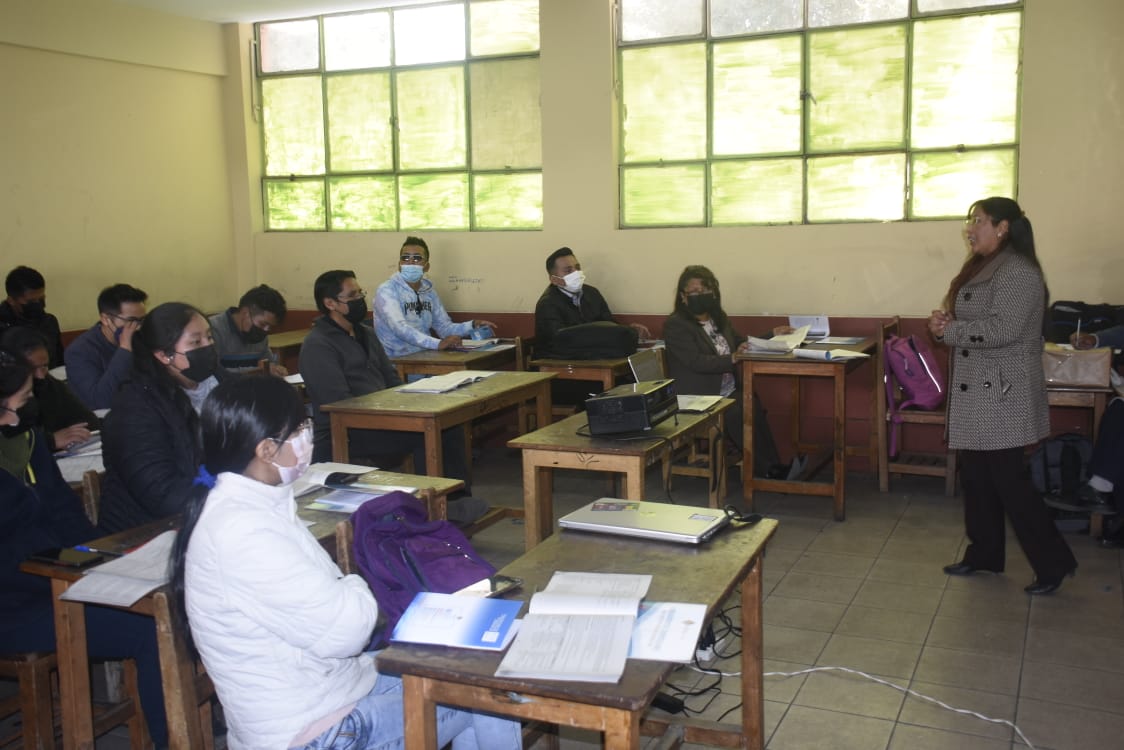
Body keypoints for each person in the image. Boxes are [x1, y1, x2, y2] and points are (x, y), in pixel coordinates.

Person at [168, 375, 519, 750]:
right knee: (487, 688)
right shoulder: (244, 533)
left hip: (331, 689)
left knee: (474, 663)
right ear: (266, 450)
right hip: (312, 731)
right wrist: (354, 582)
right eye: (298, 429)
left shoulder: (253, 504)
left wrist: (345, 588)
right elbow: (348, 631)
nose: (307, 436)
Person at [0, 348, 168, 746]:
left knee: (167, 601)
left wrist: (100, 557)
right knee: (154, 630)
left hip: (59, 579)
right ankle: (175, 737)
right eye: (12, 407)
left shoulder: (25, 439)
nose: (18, 417)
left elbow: (64, 510)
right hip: (15, 605)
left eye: (24, 403)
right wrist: (70, 575)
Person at [929, 197, 1077, 595]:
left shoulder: (1019, 271)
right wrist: (946, 322)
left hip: (1003, 393)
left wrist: (951, 332)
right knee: (977, 479)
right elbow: (979, 320)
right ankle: (985, 554)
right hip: (980, 390)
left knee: (1011, 483)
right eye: (970, 220)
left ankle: (1054, 564)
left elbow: (1003, 329)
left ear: (1003, 227)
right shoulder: (985, 265)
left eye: (978, 220)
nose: (970, 228)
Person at [299, 270, 486, 524]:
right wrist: (393, 416)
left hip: (382, 417)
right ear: (330, 303)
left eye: (360, 293)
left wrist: (407, 405)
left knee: (446, 426)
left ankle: (453, 499)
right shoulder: (318, 345)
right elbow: (338, 404)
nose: (360, 299)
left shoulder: (365, 333)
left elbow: (391, 378)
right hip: (348, 431)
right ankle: (435, 510)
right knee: (425, 433)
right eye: (352, 296)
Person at [98, 302, 223, 533]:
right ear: (164, 355)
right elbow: (162, 494)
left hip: (206, 512)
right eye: (196, 342)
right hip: (144, 530)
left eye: (209, 337)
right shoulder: (135, 407)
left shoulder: (220, 387)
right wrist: (230, 498)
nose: (208, 347)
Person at [663, 265, 789, 478]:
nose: (701, 295)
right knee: (736, 411)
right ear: (683, 297)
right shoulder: (676, 325)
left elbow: (739, 343)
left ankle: (774, 466)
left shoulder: (717, 318)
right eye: (694, 291)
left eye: (705, 290)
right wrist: (732, 358)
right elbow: (696, 362)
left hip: (725, 391)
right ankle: (767, 471)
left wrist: (771, 335)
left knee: (751, 402)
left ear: (714, 293)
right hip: (697, 396)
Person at [374, 237, 498, 358]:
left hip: (425, 357)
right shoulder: (387, 290)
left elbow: (444, 328)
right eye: (405, 258)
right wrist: (437, 344)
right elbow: (399, 328)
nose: (410, 262)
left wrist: (472, 325)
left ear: (426, 266)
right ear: (399, 264)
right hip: (396, 362)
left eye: (417, 258)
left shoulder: (429, 292)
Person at [534, 247, 651, 357]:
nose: (576, 273)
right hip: (560, 363)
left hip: (594, 356)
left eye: (578, 268)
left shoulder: (592, 293)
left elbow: (608, 323)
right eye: (568, 271)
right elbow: (560, 341)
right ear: (554, 279)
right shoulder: (547, 304)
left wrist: (627, 330)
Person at [1, 326, 98, 452]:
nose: (41, 375)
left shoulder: (50, 384)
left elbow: (87, 421)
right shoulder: (7, 396)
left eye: (44, 366)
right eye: (32, 368)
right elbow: (10, 444)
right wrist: (50, 441)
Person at [65, 283, 148, 410]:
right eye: (131, 321)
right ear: (105, 319)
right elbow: (100, 401)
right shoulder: (79, 351)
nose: (138, 327)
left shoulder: (142, 340)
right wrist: (125, 350)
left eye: (142, 320)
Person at [208, 284, 289, 375]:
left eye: (270, 326)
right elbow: (212, 373)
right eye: (262, 324)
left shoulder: (260, 335)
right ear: (245, 313)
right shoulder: (212, 330)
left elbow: (268, 364)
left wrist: (276, 369)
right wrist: (258, 370)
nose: (266, 330)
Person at [0, 265, 64, 368]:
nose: (38, 304)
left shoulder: (49, 322)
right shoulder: (3, 329)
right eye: (31, 301)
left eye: (41, 299)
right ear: (11, 301)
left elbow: (59, 362)